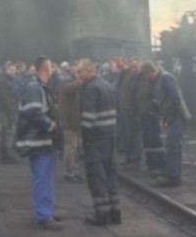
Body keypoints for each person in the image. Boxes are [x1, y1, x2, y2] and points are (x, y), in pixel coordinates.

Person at [15, 56, 63, 231]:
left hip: (44, 142)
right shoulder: (35, 88)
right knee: (43, 179)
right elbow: (34, 113)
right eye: (51, 67)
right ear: (45, 69)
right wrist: (52, 126)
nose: (53, 71)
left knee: (45, 179)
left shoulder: (39, 87)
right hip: (39, 142)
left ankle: (44, 212)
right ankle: (44, 216)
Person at [79, 59, 121, 226]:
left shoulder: (91, 88)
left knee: (96, 176)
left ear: (89, 71)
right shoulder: (107, 85)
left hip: (95, 139)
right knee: (110, 173)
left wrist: (85, 139)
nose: (78, 75)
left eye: (80, 71)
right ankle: (115, 211)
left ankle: (101, 213)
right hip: (110, 136)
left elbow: (88, 118)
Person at [142, 61, 192, 187]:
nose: (147, 79)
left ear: (150, 72)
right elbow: (163, 101)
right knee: (173, 146)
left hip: (177, 116)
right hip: (171, 116)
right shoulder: (158, 79)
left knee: (172, 146)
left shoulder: (165, 78)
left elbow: (175, 99)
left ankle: (173, 176)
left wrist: (168, 118)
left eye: (147, 75)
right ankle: (172, 172)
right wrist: (163, 118)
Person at [58, 63, 85, 183]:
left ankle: (73, 171)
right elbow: (69, 88)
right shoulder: (66, 81)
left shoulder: (69, 81)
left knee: (73, 147)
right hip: (69, 121)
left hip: (72, 120)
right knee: (71, 148)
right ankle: (70, 172)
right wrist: (82, 80)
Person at [0, 61, 21, 164]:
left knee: (7, 132)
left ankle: (5, 154)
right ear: (6, 70)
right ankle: (6, 155)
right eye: (11, 70)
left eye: (14, 70)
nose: (13, 72)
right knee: (7, 133)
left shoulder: (8, 80)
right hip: (7, 111)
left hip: (7, 110)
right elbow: (5, 97)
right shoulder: (4, 81)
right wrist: (12, 110)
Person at [118, 58, 143, 166]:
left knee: (134, 135)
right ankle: (129, 156)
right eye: (132, 66)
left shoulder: (137, 77)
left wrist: (135, 109)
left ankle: (135, 157)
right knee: (127, 135)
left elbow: (137, 94)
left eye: (135, 66)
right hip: (125, 108)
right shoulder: (126, 75)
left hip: (133, 110)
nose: (133, 68)